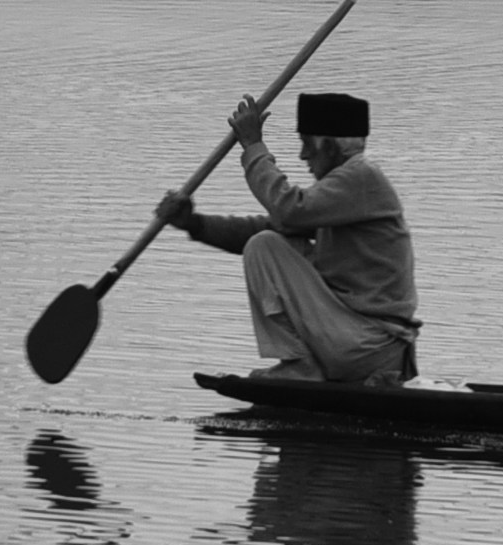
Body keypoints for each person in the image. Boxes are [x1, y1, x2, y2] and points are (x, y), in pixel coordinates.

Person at [156, 90, 420, 384]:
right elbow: (269, 227)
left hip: (369, 344)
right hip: (353, 339)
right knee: (267, 241)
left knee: (263, 246)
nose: (303, 156)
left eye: (308, 145)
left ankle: (301, 365)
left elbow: (287, 211)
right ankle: (306, 366)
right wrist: (194, 224)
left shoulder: (361, 178)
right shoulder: (343, 189)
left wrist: (253, 146)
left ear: (330, 147)